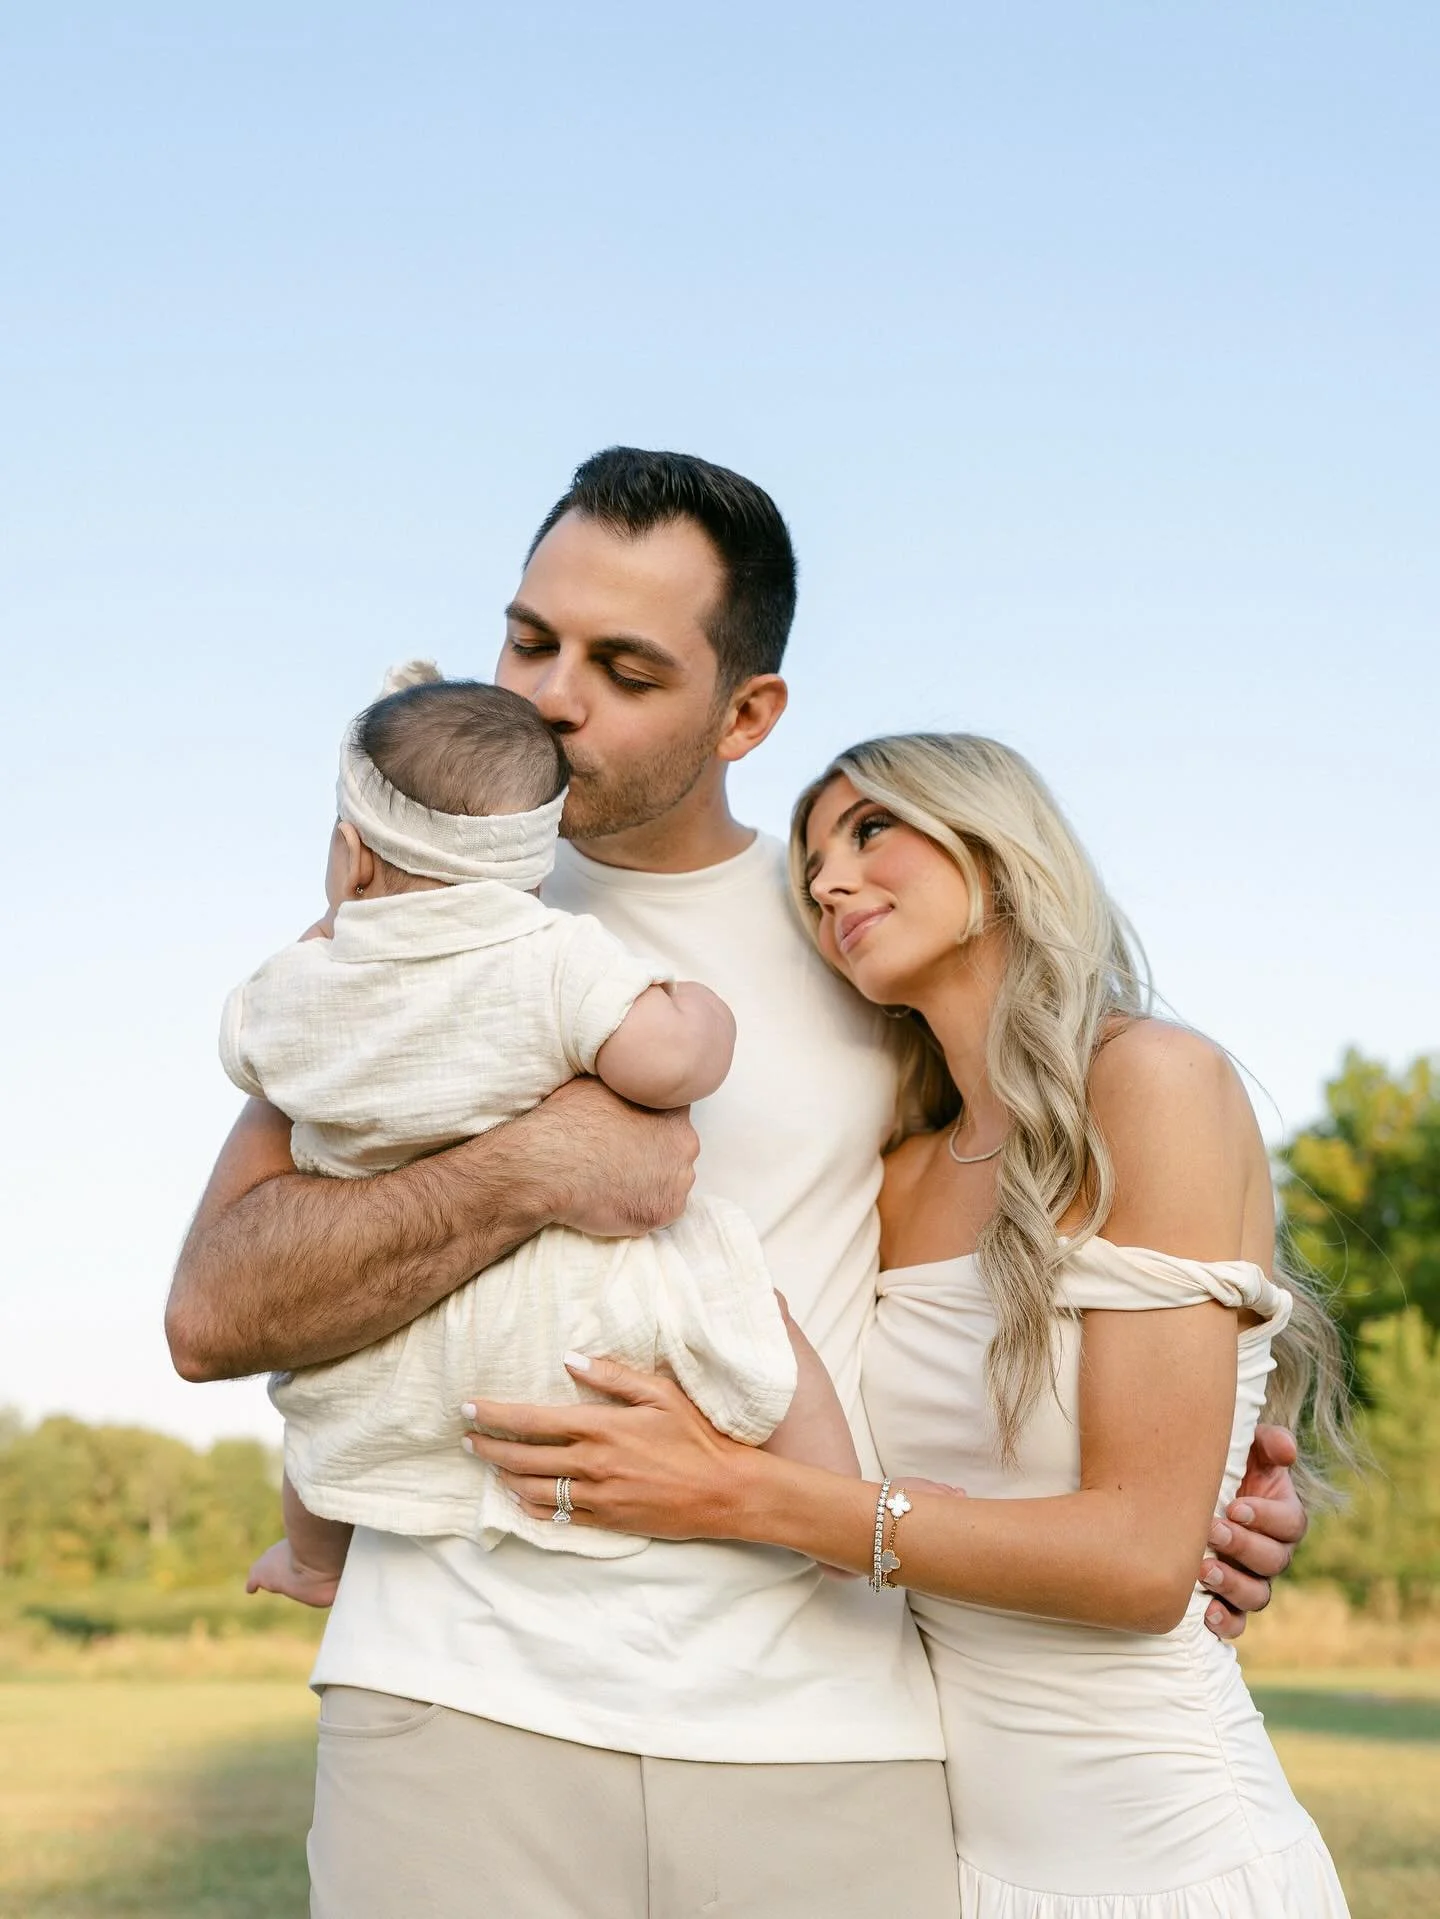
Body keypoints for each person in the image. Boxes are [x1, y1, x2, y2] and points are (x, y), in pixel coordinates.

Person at [168, 448, 1304, 1919]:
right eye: (531, 638)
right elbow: (213, 1309)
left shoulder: (860, 939)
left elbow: (1046, 1244)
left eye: (626, 665)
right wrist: (539, 1163)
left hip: (833, 1731)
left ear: (746, 711)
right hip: (453, 1699)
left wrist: (1216, 1487)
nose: (553, 694)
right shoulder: (417, 925)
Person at [467, 730, 1352, 1915]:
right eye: (812, 863)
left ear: (996, 844)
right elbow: (880, 1487)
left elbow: (1144, 1564)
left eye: (871, 828)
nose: (830, 879)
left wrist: (725, 1488)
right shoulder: (897, 1179)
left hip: (1175, 1856)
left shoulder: (1154, 1083)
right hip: (954, 1866)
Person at [226, 665, 854, 1609]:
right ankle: (844, 1519)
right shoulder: (548, 951)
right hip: (562, 1324)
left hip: (387, 1336)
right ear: (531, 867)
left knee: (313, 1411)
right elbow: (667, 1062)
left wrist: (332, 929)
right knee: (754, 1307)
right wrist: (700, 1009)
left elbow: (248, 1051)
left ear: (352, 854)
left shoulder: (294, 986)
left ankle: (314, 1557)